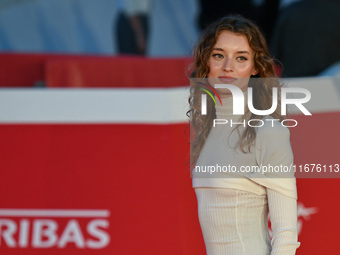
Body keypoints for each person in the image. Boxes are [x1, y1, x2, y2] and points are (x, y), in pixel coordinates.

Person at [187, 15, 300, 254]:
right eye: (219, 55)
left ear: (255, 67)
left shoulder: (268, 132)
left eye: (241, 58)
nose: (228, 66)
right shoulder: (208, 128)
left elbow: (286, 235)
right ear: (207, 61)